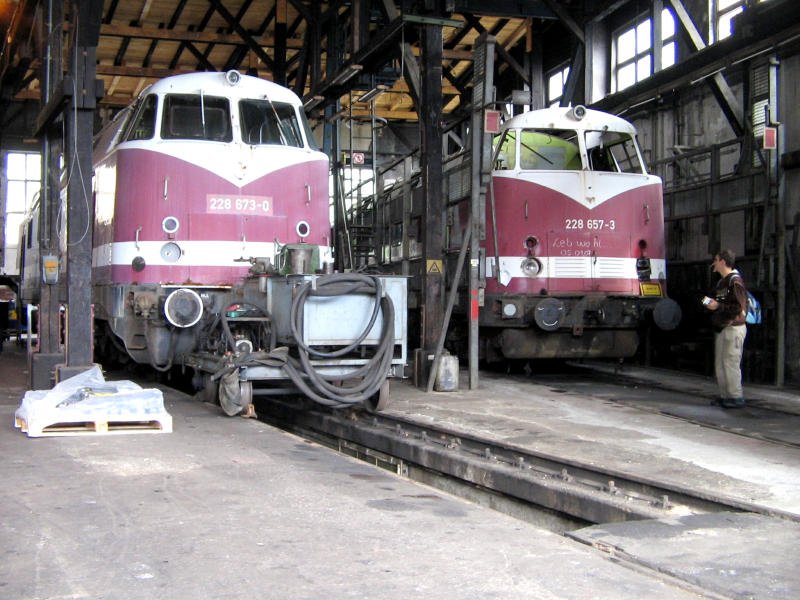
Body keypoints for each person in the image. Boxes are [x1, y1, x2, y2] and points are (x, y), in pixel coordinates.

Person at [703, 249, 747, 408]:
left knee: (731, 362)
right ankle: (726, 395)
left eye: (715, 259)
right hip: (723, 328)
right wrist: (709, 303)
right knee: (721, 363)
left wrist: (717, 305)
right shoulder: (722, 282)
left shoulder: (735, 281)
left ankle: (735, 397)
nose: (713, 263)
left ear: (722, 261)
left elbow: (738, 307)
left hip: (733, 328)